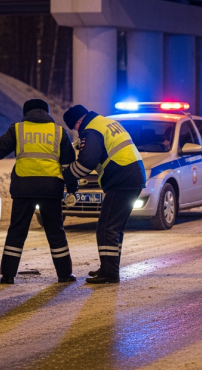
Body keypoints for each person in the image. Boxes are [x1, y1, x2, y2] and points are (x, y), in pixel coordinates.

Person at [0, 99, 77, 284]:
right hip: (51, 189)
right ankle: (65, 274)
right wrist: (72, 189)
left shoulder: (18, 129)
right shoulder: (59, 132)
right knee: (56, 232)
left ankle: (8, 275)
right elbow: (68, 165)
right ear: (46, 112)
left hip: (23, 189)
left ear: (26, 112)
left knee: (17, 232)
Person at [62, 105, 146, 284]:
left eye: (75, 128)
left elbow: (86, 163)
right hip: (132, 176)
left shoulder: (91, 130)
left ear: (78, 122)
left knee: (106, 227)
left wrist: (66, 176)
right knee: (114, 228)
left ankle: (110, 274)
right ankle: (109, 268)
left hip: (122, 179)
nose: (77, 132)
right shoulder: (106, 122)